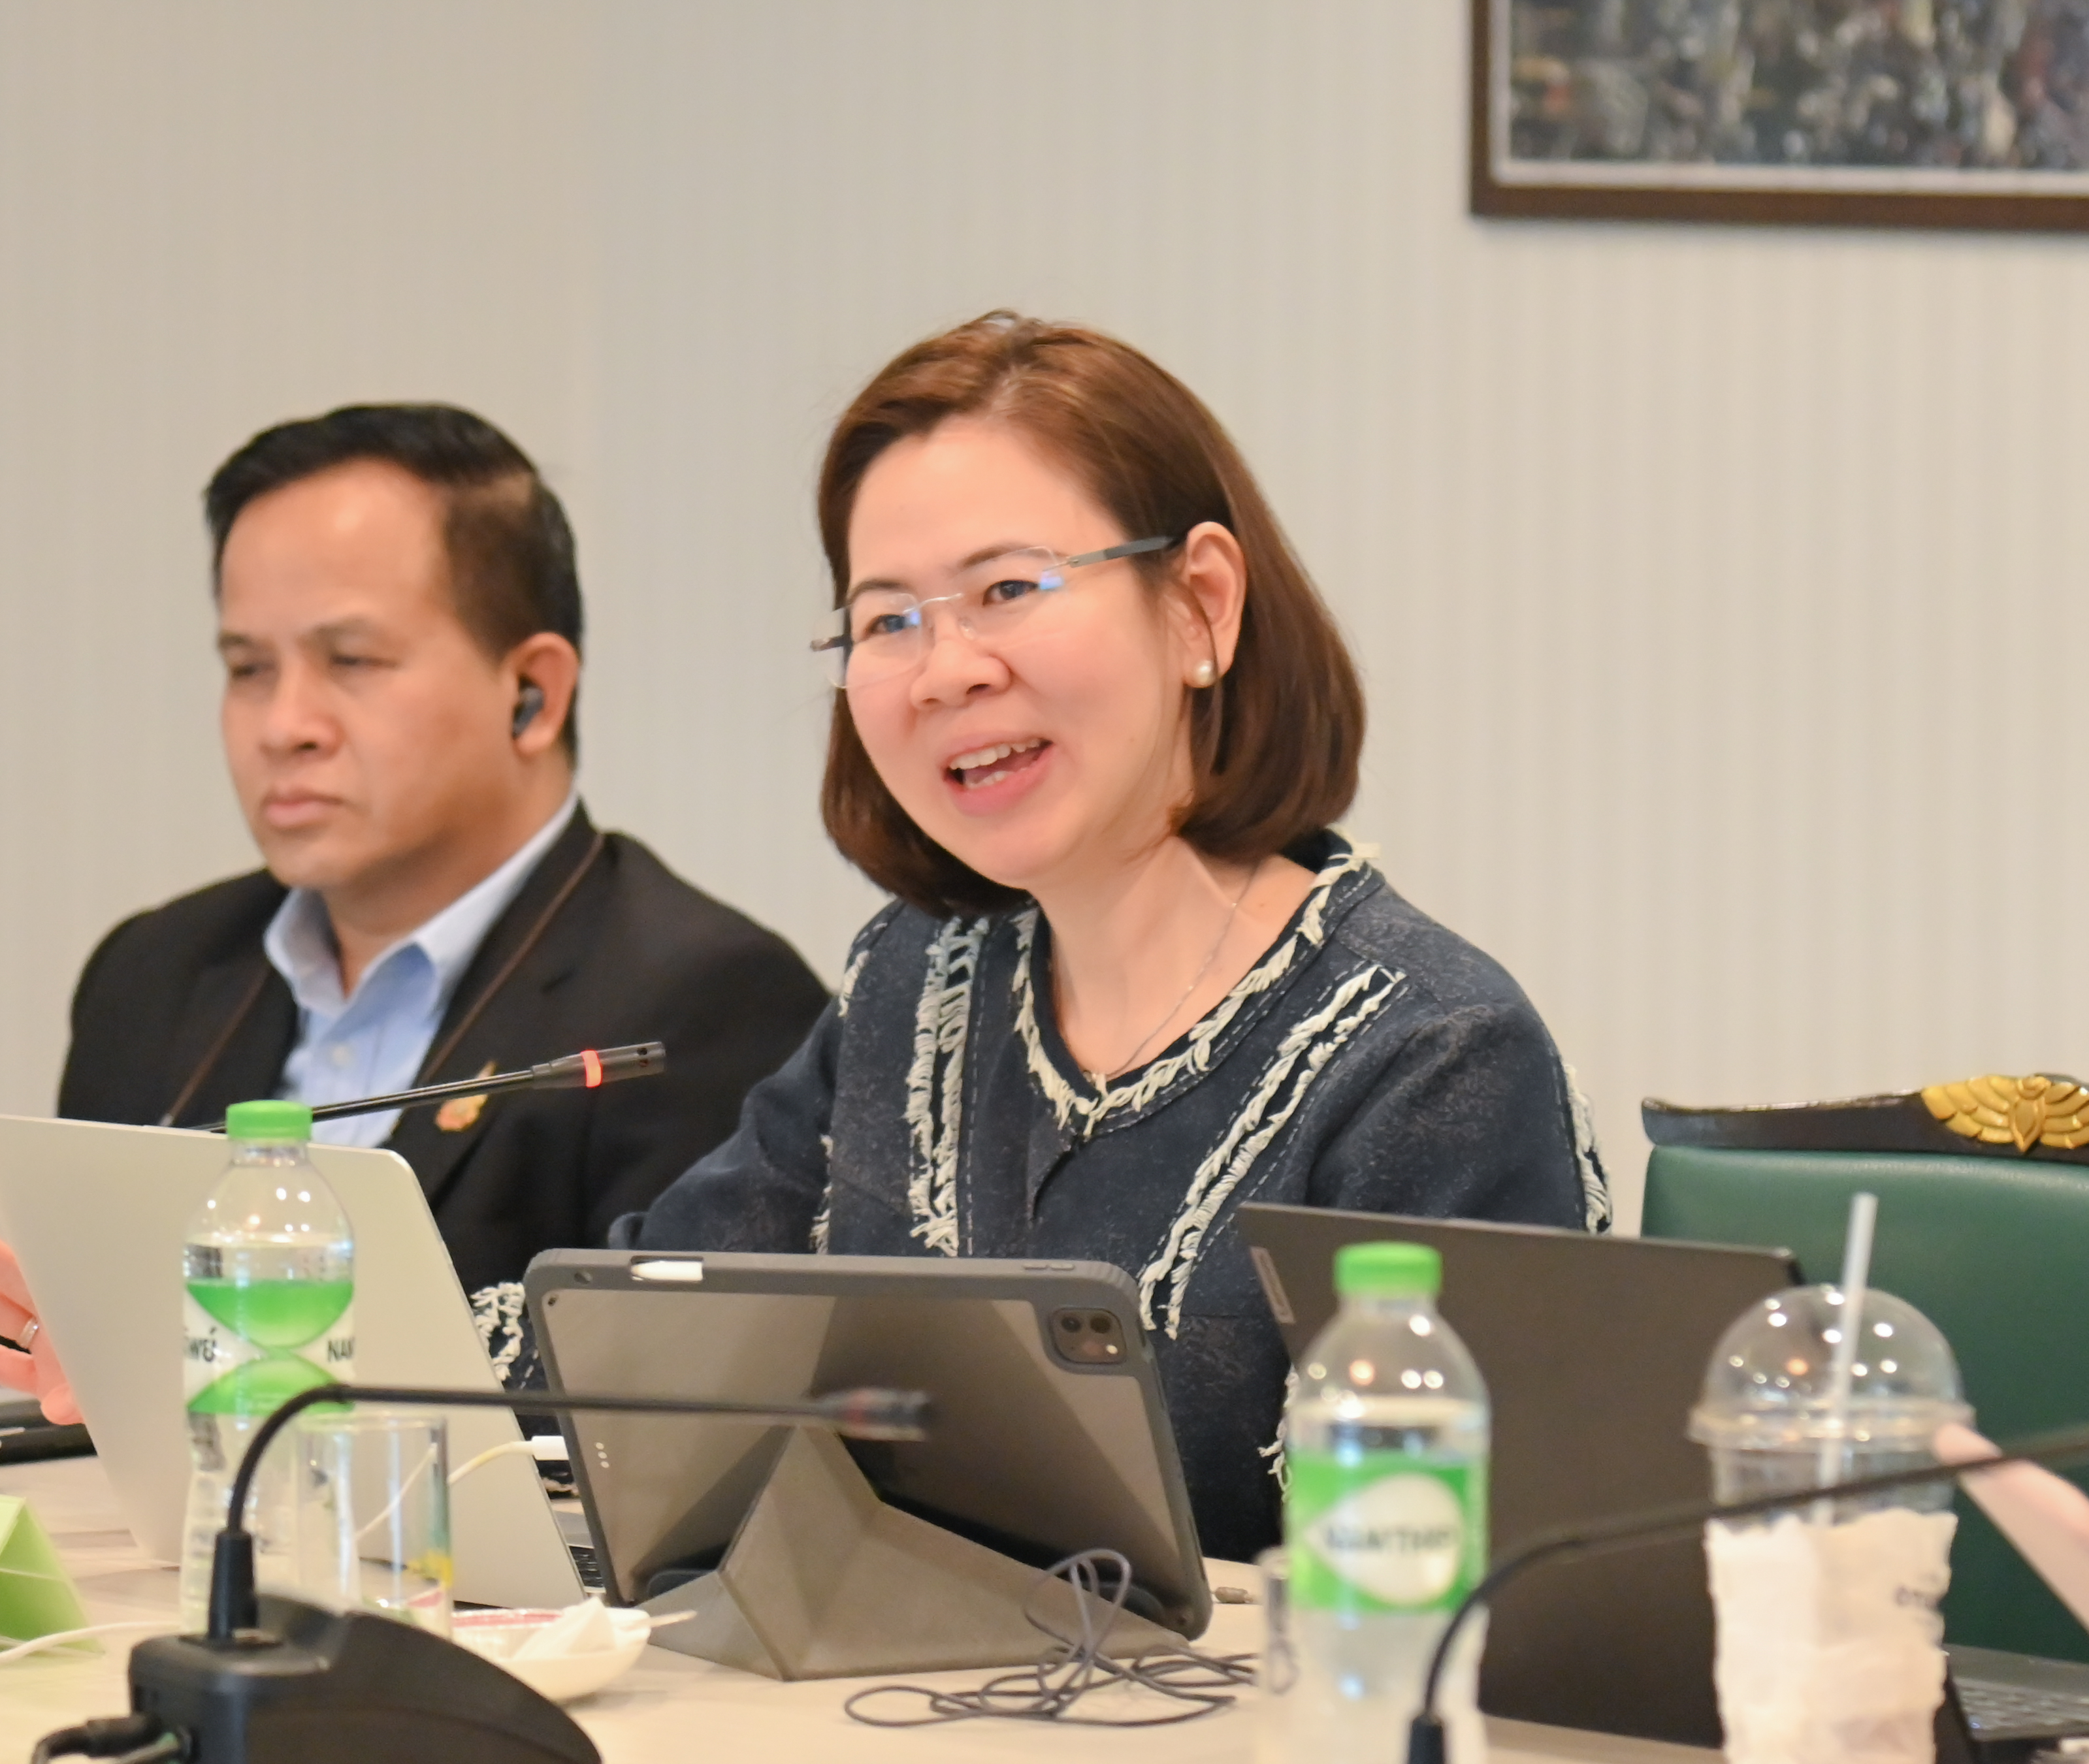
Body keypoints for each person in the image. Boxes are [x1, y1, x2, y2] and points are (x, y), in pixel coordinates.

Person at [614, 313, 1610, 1563]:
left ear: (1199, 606)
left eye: (1007, 590)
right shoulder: (913, 984)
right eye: (886, 620)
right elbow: (628, 1341)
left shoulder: (1431, 1057)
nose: (944, 671)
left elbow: (1486, 1593)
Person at [0, 405, 827, 1422]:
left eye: (350, 660)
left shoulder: (699, 1000)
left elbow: (661, 1437)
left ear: (530, 693)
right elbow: (63, 1391)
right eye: (248, 668)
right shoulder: (155, 974)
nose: (283, 726)